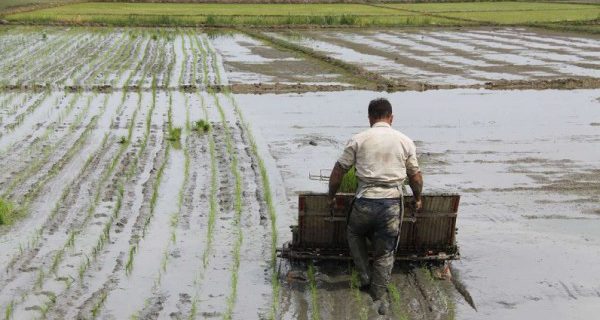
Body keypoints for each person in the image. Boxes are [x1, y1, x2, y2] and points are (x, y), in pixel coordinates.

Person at [327, 98, 423, 315]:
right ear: (391, 117)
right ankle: (378, 293)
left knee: (353, 232)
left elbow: (338, 172)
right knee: (385, 251)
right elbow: (415, 177)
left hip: (364, 202)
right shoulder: (405, 141)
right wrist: (417, 199)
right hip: (391, 205)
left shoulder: (358, 139)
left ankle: (364, 277)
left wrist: (331, 197)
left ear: (370, 118)